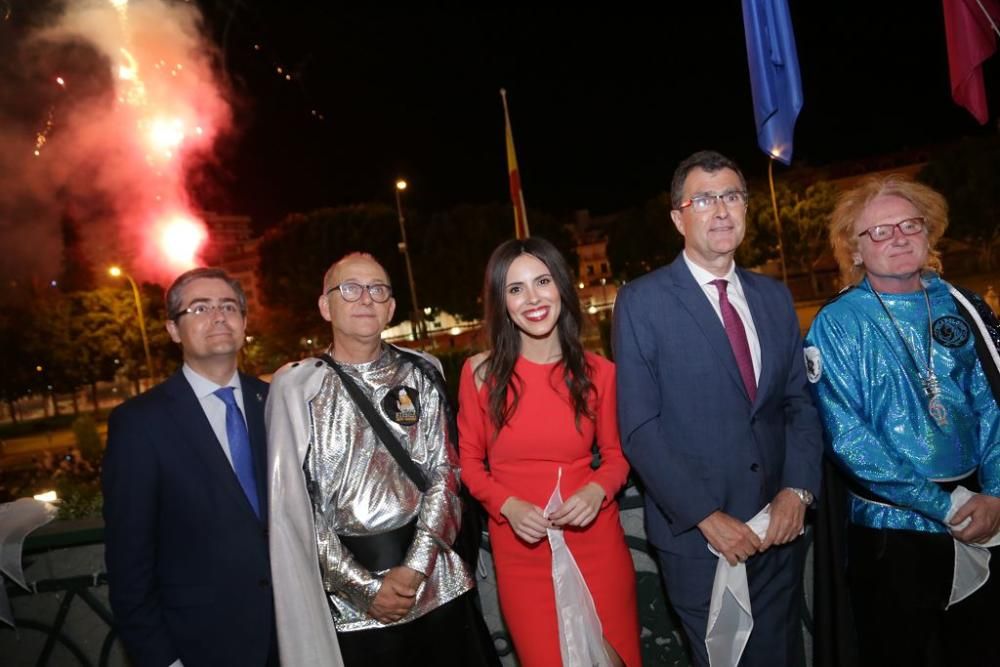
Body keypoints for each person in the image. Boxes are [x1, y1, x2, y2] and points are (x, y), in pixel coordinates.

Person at [612, 150, 823, 666]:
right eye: (704, 199)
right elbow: (640, 428)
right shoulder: (642, 302)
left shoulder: (774, 297)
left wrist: (797, 490)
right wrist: (706, 516)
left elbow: (798, 403)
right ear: (678, 218)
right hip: (700, 546)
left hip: (778, 534)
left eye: (732, 196)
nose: (722, 210)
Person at [266, 252, 498, 667]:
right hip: (352, 604)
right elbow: (296, 509)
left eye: (378, 290)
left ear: (391, 307)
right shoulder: (298, 387)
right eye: (350, 289)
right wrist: (365, 589)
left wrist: (414, 570)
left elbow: (445, 474)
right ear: (326, 306)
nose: (365, 299)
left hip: (436, 579)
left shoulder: (421, 374)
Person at [805, 175, 1000, 667]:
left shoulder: (966, 307)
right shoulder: (837, 323)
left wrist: (995, 494)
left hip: (984, 514)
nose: (897, 237)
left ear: (929, 233)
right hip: (893, 533)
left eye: (909, 225)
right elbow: (848, 437)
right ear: (854, 249)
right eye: (880, 231)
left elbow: (994, 406)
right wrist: (944, 504)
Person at [458, 237, 640, 667]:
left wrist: (596, 492)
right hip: (521, 551)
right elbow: (467, 462)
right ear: (502, 302)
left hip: (595, 540)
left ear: (561, 286)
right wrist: (507, 505)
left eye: (542, 281)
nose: (533, 298)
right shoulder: (480, 374)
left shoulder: (601, 373)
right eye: (515, 288)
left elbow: (617, 456)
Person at [102, 267, 276, 667]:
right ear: (173, 330)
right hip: (201, 646)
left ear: (244, 322)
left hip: (292, 637)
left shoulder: (276, 403)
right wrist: (162, 659)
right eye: (199, 308)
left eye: (228, 306)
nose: (217, 316)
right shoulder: (138, 424)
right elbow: (130, 563)